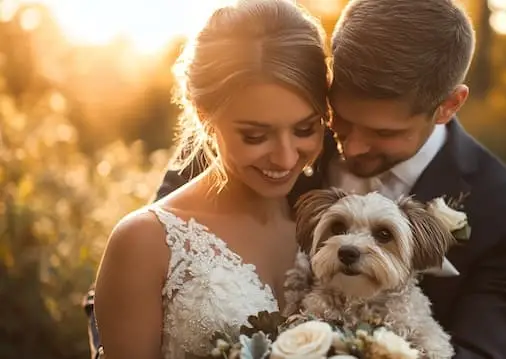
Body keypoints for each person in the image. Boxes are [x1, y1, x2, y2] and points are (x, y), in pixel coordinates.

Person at [87, 0, 506, 358]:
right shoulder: (269, 112)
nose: (349, 145)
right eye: (337, 121)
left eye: (384, 133)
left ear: (448, 105)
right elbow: (155, 259)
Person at [91, 0, 330, 358]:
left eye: (305, 129)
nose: (285, 157)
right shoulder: (145, 243)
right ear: (204, 116)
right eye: (255, 136)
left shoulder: (328, 227)